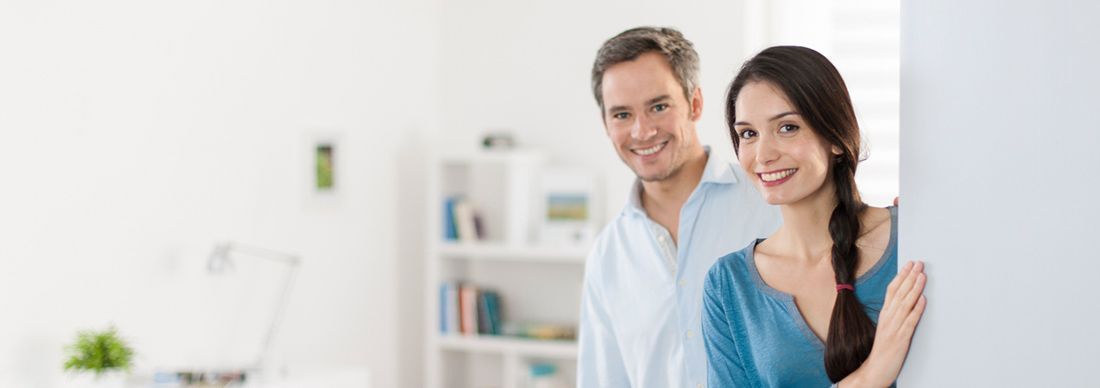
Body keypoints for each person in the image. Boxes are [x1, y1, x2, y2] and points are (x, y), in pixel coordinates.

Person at [702, 45, 927, 387]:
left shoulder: (914, 239)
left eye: (788, 127)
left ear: (835, 137)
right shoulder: (728, 285)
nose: (763, 154)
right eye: (748, 134)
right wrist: (873, 373)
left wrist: (943, 217)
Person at [577, 27, 781, 388]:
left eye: (658, 106)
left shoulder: (771, 204)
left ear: (695, 103)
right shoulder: (607, 256)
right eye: (622, 115)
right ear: (605, 124)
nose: (642, 131)